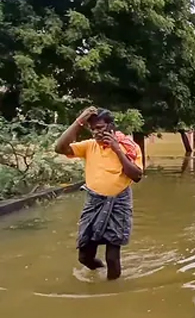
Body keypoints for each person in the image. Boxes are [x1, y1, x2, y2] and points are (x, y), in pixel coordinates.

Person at [54, 107, 144, 280]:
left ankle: (112, 293)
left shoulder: (128, 147)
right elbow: (60, 148)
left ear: (111, 126)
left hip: (119, 203)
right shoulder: (89, 146)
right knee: (84, 257)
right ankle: (98, 270)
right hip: (94, 202)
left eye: (101, 128)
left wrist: (117, 149)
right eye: (93, 128)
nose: (97, 132)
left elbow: (137, 176)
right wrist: (79, 121)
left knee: (112, 257)